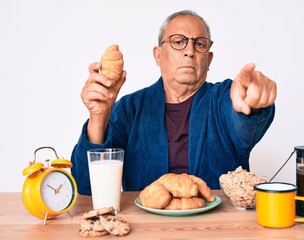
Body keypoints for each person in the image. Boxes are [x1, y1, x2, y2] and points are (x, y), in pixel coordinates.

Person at [71, 10, 277, 195]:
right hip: (147, 230)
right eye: (178, 42)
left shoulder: (222, 98)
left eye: (199, 43)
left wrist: (253, 100)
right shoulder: (130, 109)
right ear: (158, 55)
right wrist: (99, 116)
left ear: (209, 59)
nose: (190, 51)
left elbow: (242, 115)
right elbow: (85, 186)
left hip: (217, 227)